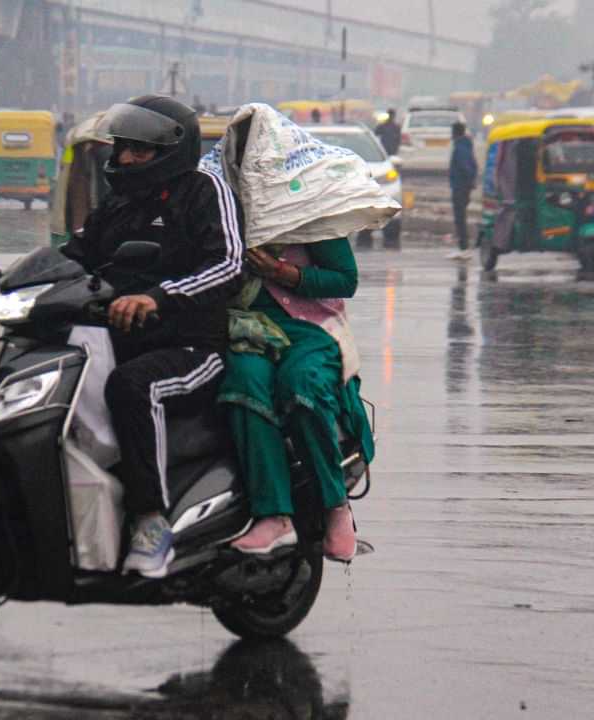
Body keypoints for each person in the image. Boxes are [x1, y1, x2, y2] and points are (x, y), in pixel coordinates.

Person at [60, 95, 243, 577]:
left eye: (139, 151)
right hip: (118, 338)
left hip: (192, 346)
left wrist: (159, 297)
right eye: (123, 149)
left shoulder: (204, 191)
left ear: (171, 151)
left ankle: (151, 522)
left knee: (132, 386)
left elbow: (228, 264)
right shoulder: (118, 204)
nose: (124, 159)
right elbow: (75, 253)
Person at [222, 237, 375, 562]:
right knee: (245, 382)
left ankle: (334, 505)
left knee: (300, 385)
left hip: (309, 328)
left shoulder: (306, 201)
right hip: (245, 327)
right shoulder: (222, 200)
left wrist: (280, 271)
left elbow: (345, 279)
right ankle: (274, 516)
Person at [448, 121, 477, 260]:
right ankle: (463, 247)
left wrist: (466, 183)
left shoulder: (460, 148)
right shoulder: (466, 145)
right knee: (461, 217)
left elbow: (465, 167)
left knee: (460, 218)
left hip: (460, 187)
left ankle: (464, 248)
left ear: (455, 133)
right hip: (463, 187)